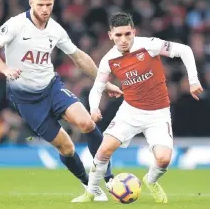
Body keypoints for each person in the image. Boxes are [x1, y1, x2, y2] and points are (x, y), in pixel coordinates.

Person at [0, 0, 123, 202]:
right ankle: (89, 185)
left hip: (52, 88)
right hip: (27, 100)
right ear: (31, 3)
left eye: (48, 4)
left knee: (87, 123)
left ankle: (109, 178)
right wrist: (6, 69)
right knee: (66, 147)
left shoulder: (55, 29)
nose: (45, 9)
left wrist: (103, 82)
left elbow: (78, 57)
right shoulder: (15, 25)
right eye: (40, 5)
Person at [72, 12, 204, 203]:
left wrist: (193, 81)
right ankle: (91, 192)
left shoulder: (149, 45)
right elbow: (97, 88)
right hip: (130, 111)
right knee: (104, 150)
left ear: (134, 32)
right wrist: (94, 108)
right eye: (118, 35)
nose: (123, 39)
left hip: (158, 114)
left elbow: (185, 50)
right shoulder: (109, 59)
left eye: (127, 34)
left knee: (164, 160)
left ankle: (151, 181)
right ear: (111, 35)